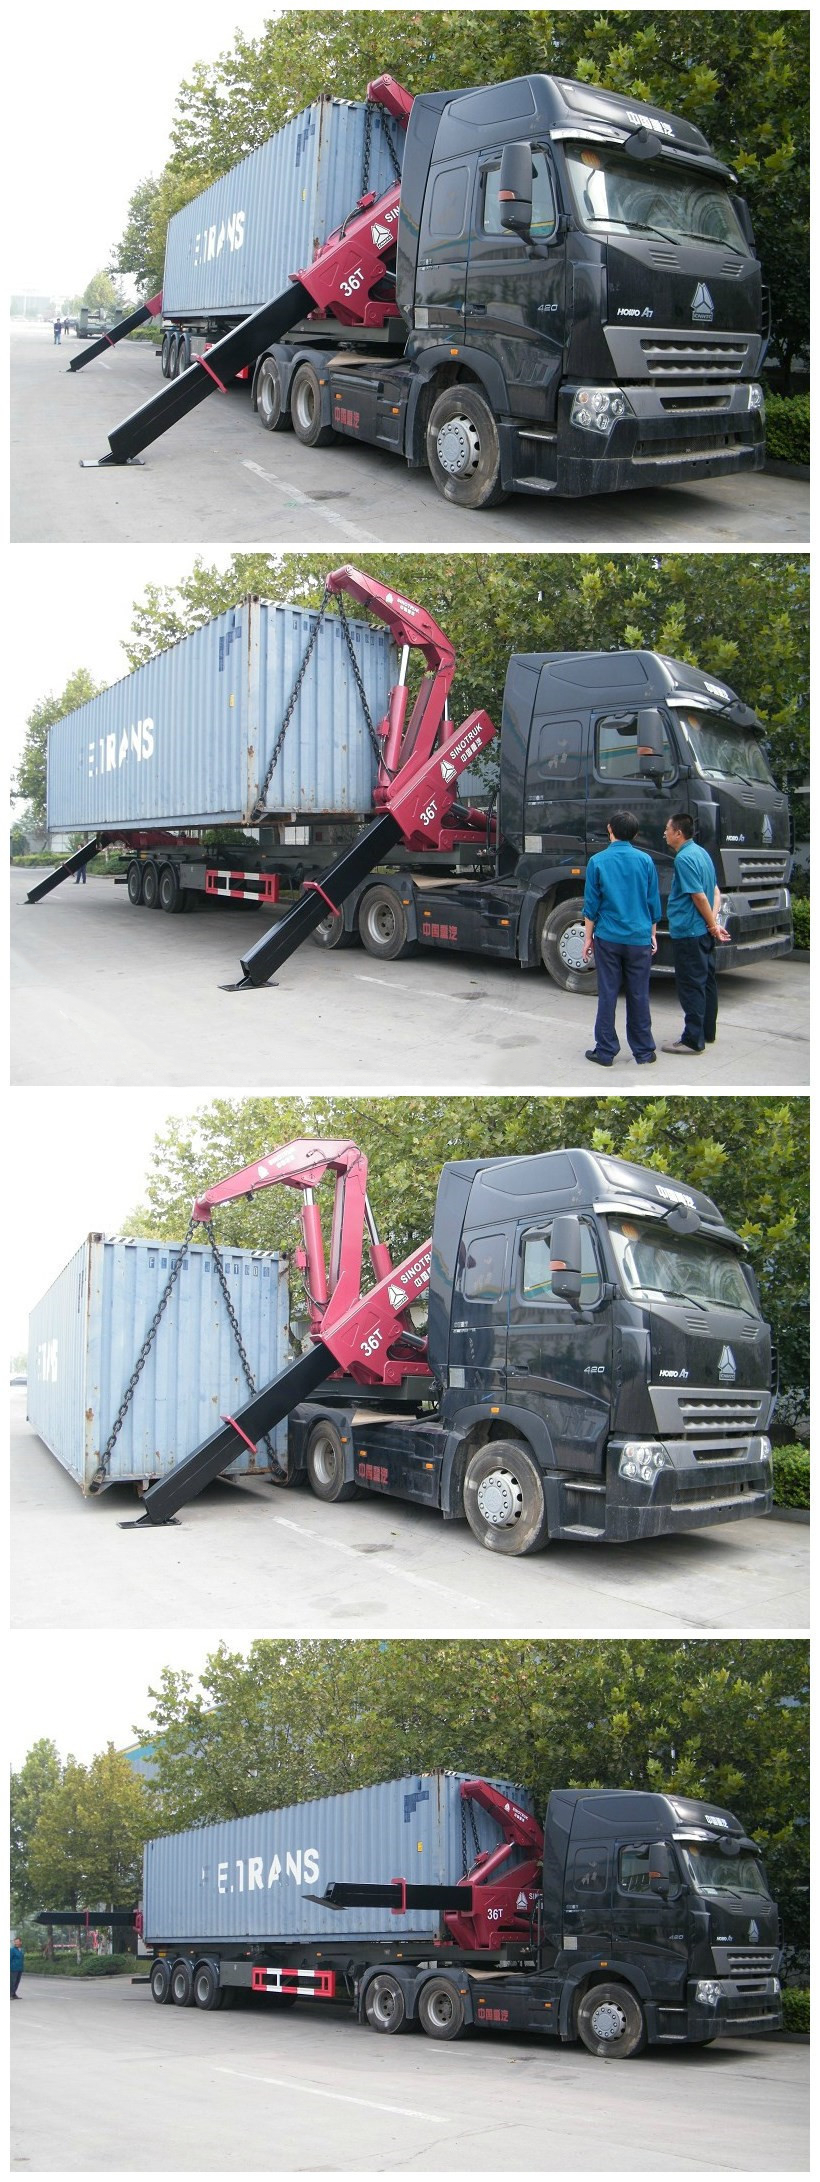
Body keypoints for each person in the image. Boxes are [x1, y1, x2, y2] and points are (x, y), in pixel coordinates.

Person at [582, 809, 661, 1066]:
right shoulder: (645, 861)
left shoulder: (598, 861)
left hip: (609, 937)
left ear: (610, 830)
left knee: (608, 993)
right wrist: (652, 934)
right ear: (635, 834)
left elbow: (591, 906)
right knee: (639, 994)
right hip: (638, 938)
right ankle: (644, 1052)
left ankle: (605, 1051)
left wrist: (588, 939)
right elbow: (652, 902)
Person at [661, 813, 730, 1053]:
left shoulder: (684, 858)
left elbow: (699, 896)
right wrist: (713, 923)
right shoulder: (702, 853)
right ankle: (707, 1032)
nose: (664, 833)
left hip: (689, 932)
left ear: (678, 833)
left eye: (667, 829)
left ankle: (692, 1040)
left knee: (690, 985)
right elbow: (715, 892)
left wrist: (712, 925)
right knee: (706, 982)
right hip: (702, 931)